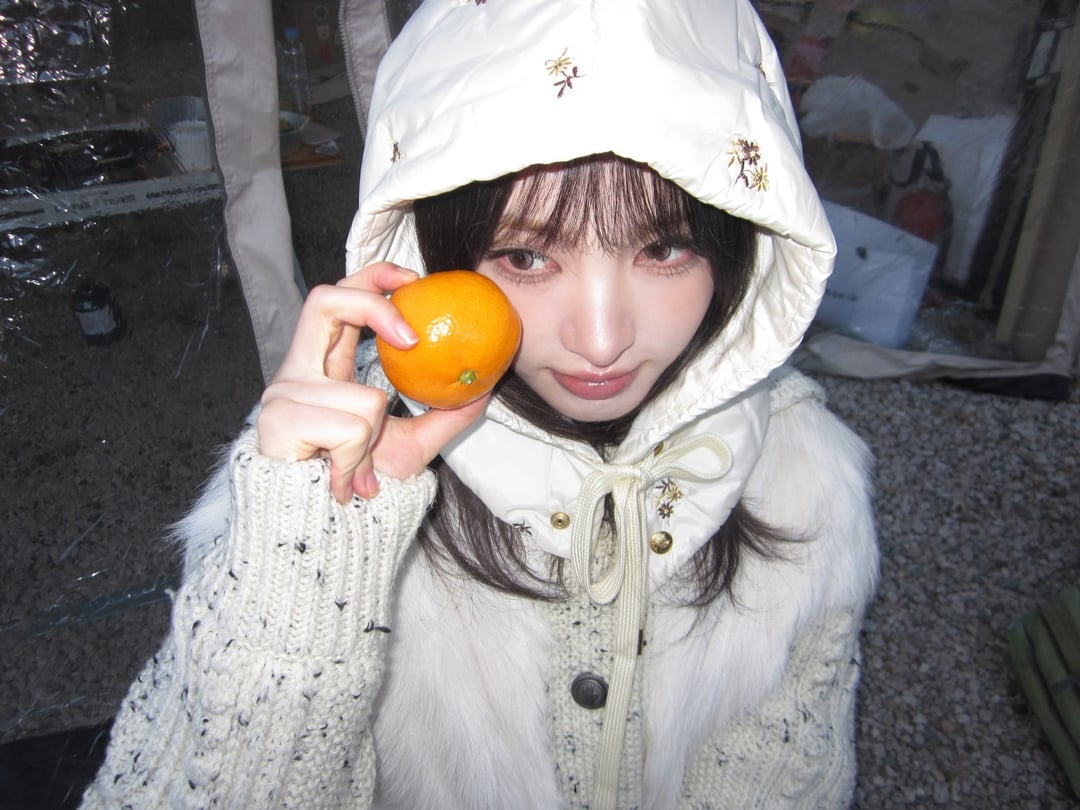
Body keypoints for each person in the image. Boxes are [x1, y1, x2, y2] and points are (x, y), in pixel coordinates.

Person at [82, 0, 878, 807]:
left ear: (745, 238)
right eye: (526, 256)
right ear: (434, 253)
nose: (601, 340)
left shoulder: (803, 477)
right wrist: (303, 564)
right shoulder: (319, 473)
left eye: (664, 248)